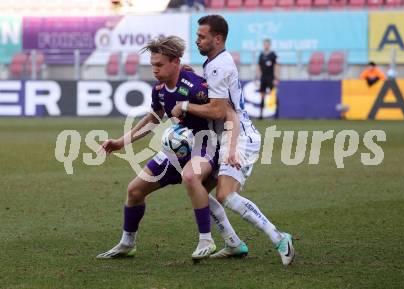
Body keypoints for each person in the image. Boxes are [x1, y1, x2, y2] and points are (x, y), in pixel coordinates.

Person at [96, 36, 246, 260]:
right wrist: (120, 142)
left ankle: (206, 240)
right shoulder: (159, 90)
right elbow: (153, 119)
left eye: (159, 64)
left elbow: (225, 113)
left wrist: (231, 148)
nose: (154, 70)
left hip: (204, 147)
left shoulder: (197, 87)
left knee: (192, 177)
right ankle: (127, 243)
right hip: (175, 150)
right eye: (152, 65)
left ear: (175, 62)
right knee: (134, 190)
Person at [172, 15, 294, 265]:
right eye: (197, 36)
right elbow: (216, 96)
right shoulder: (214, 63)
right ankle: (233, 243)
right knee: (199, 190)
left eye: (202, 37)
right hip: (224, 136)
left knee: (226, 194)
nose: (197, 41)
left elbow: (218, 111)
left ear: (217, 39)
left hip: (238, 137)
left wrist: (185, 105)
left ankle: (279, 237)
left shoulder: (219, 65)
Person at [256, 38, 279, 120]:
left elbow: (276, 66)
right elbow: (258, 66)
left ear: (269, 45)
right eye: (264, 44)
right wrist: (257, 77)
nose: (266, 45)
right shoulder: (261, 55)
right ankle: (261, 115)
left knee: (273, 95)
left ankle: (276, 114)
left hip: (271, 77)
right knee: (262, 95)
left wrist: (276, 78)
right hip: (263, 77)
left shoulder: (273, 55)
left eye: (267, 44)